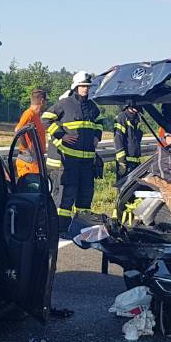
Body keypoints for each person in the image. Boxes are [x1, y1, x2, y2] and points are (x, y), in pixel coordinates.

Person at [42, 71, 103, 232]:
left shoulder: (92, 107)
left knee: (85, 195)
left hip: (88, 161)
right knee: (66, 195)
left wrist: (97, 136)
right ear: (76, 86)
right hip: (70, 161)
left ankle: (81, 227)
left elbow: (100, 122)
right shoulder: (64, 104)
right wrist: (62, 135)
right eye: (83, 86)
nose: (86, 89)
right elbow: (46, 118)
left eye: (88, 87)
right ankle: (61, 227)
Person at [13, 88, 47, 179]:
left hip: (35, 161)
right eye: (46, 101)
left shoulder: (36, 115)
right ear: (42, 101)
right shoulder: (29, 114)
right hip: (28, 162)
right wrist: (26, 148)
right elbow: (18, 130)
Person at [113, 105, 146, 180]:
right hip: (125, 163)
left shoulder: (136, 118)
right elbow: (118, 140)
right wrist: (122, 162)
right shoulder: (122, 117)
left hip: (136, 162)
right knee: (124, 189)